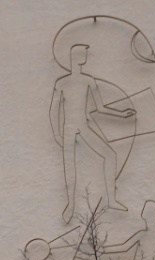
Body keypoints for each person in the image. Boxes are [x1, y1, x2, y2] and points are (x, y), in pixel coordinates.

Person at [50, 44, 135, 223]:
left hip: (83, 126)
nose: (86, 56)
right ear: (76, 57)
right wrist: (57, 134)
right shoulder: (62, 83)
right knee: (70, 168)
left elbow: (100, 107)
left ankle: (111, 199)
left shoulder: (88, 80)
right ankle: (70, 205)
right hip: (68, 129)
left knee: (110, 155)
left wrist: (121, 114)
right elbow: (53, 110)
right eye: (84, 53)